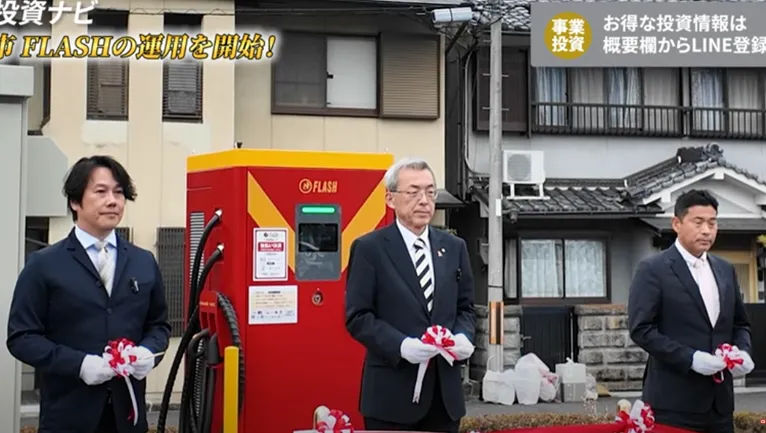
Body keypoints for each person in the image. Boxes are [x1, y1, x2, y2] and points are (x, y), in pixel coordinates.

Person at [6, 155, 171, 433]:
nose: (113, 201)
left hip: (128, 418)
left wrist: (148, 352)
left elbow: (159, 326)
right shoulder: (44, 264)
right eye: (101, 191)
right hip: (67, 418)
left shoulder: (143, 261)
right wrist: (80, 365)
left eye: (119, 192)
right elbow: (21, 337)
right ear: (75, 201)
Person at [345, 157, 476, 433]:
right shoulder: (370, 249)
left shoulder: (454, 247)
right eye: (413, 192)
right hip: (390, 397)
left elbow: (465, 308)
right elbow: (358, 317)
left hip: (444, 398)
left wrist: (463, 336)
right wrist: (401, 346)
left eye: (430, 192)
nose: (424, 201)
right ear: (390, 199)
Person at [628, 189, 754, 433]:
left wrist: (743, 352)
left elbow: (740, 324)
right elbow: (641, 329)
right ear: (676, 224)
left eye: (712, 223)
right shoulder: (653, 269)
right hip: (673, 402)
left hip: (720, 404)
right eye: (698, 222)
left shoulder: (725, 269)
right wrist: (691, 358)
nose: (706, 230)